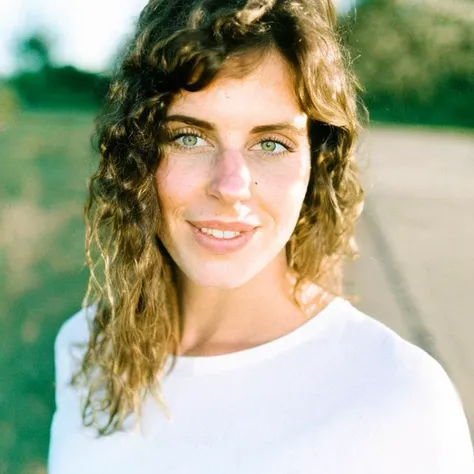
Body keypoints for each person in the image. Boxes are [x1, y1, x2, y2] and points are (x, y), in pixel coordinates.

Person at [48, 0, 474, 472]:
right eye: (189, 137)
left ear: (316, 165)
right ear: (139, 154)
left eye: (271, 144)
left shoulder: (400, 397)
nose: (230, 186)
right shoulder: (86, 348)